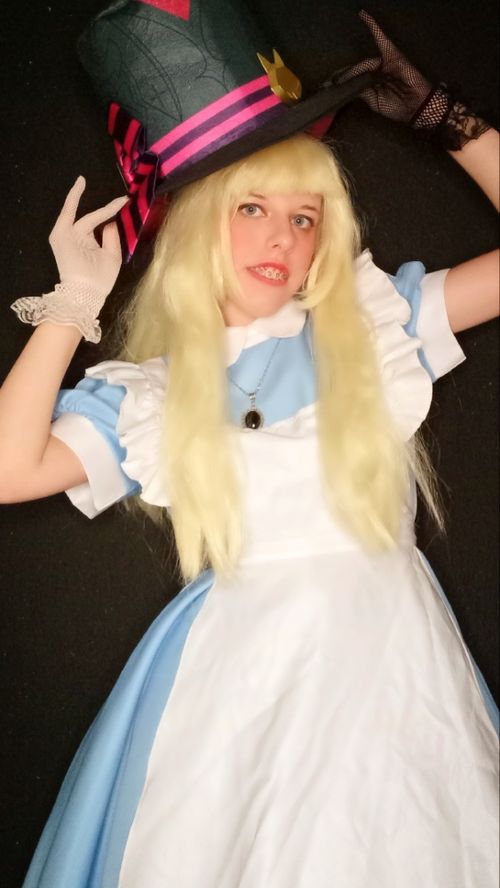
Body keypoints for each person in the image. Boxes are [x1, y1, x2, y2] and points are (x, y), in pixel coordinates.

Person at [0, 7, 498, 888]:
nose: (282, 237)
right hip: (231, 695)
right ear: (197, 222)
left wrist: (451, 123)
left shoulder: (375, 330)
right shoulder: (151, 395)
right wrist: (72, 306)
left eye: (306, 217)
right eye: (254, 208)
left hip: (397, 679)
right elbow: (11, 470)